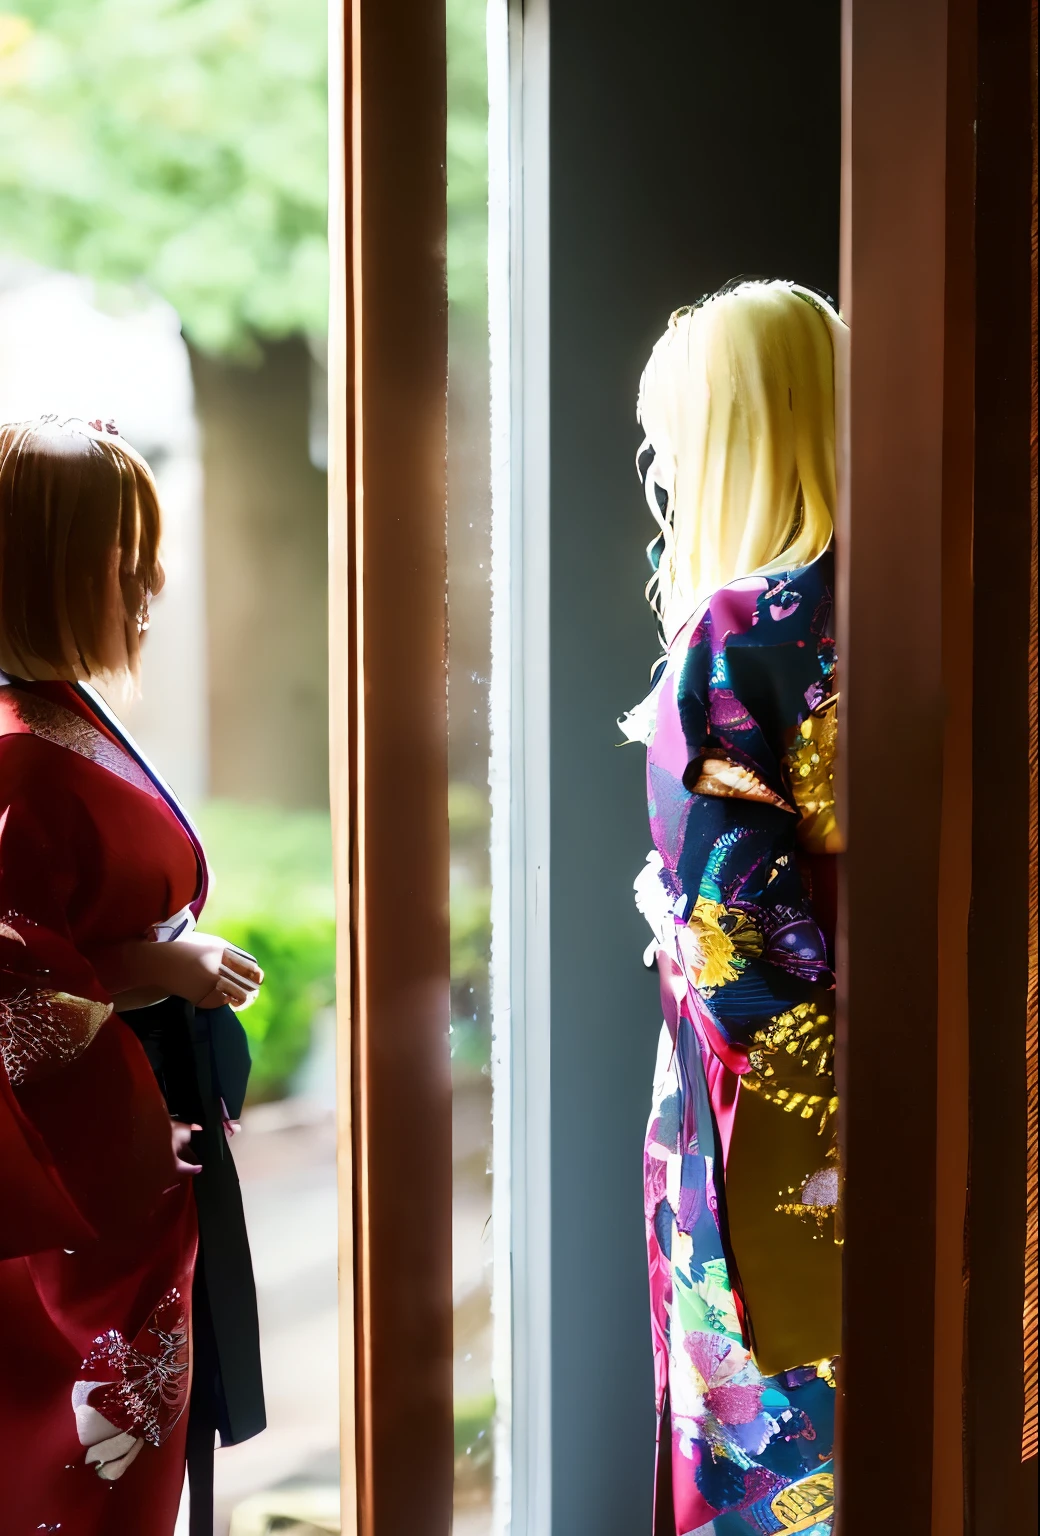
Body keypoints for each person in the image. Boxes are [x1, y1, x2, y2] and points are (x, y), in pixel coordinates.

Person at [0, 416, 265, 1535]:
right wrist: (152, 966)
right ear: (53, 567)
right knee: (92, 1456)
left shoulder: (57, 709)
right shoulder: (18, 744)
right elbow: (11, 999)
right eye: (126, 557)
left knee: (153, 1443)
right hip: (94, 1158)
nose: (151, 581)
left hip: (146, 1110)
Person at [626, 281, 845, 1535]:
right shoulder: (939, 603)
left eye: (670, 437)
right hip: (927, 1079)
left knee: (773, 1464)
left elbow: (734, 944)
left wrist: (668, 908)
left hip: (770, 1125)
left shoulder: (740, 627)